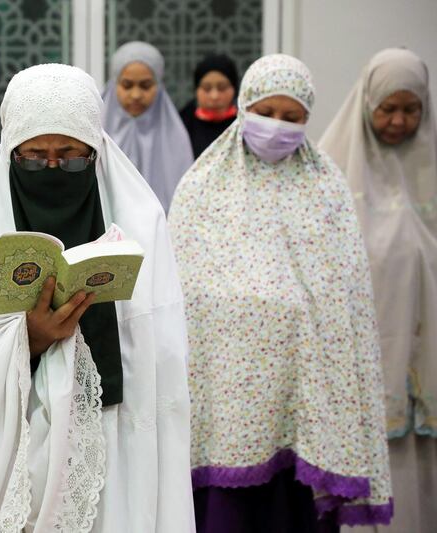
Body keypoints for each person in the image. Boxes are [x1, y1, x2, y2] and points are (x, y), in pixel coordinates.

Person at [0, 63, 194, 532]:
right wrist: (27, 339)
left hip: (116, 436)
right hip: (11, 444)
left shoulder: (142, 220)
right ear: (10, 155)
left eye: (68, 157)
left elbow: (162, 353)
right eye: (32, 157)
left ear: (96, 153)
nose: (51, 169)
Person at [169, 54, 392, 532]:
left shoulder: (325, 187)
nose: (277, 127)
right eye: (266, 113)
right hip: (228, 395)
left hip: (303, 393)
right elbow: (185, 293)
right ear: (244, 106)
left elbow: (345, 294)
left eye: (292, 119)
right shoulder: (202, 187)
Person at [320, 48, 437, 533]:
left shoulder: (429, 166)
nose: (398, 120)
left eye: (411, 109)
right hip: (361, 360)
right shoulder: (332, 172)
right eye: (387, 107)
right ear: (366, 104)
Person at [102, 41, 194, 212]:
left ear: (158, 85)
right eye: (127, 85)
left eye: (145, 86)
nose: (136, 95)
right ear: (114, 83)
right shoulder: (96, 131)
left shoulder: (174, 137)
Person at [179, 53, 239, 158]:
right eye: (206, 88)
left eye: (222, 88)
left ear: (234, 89)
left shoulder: (244, 125)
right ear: (196, 90)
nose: (214, 96)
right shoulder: (182, 126)